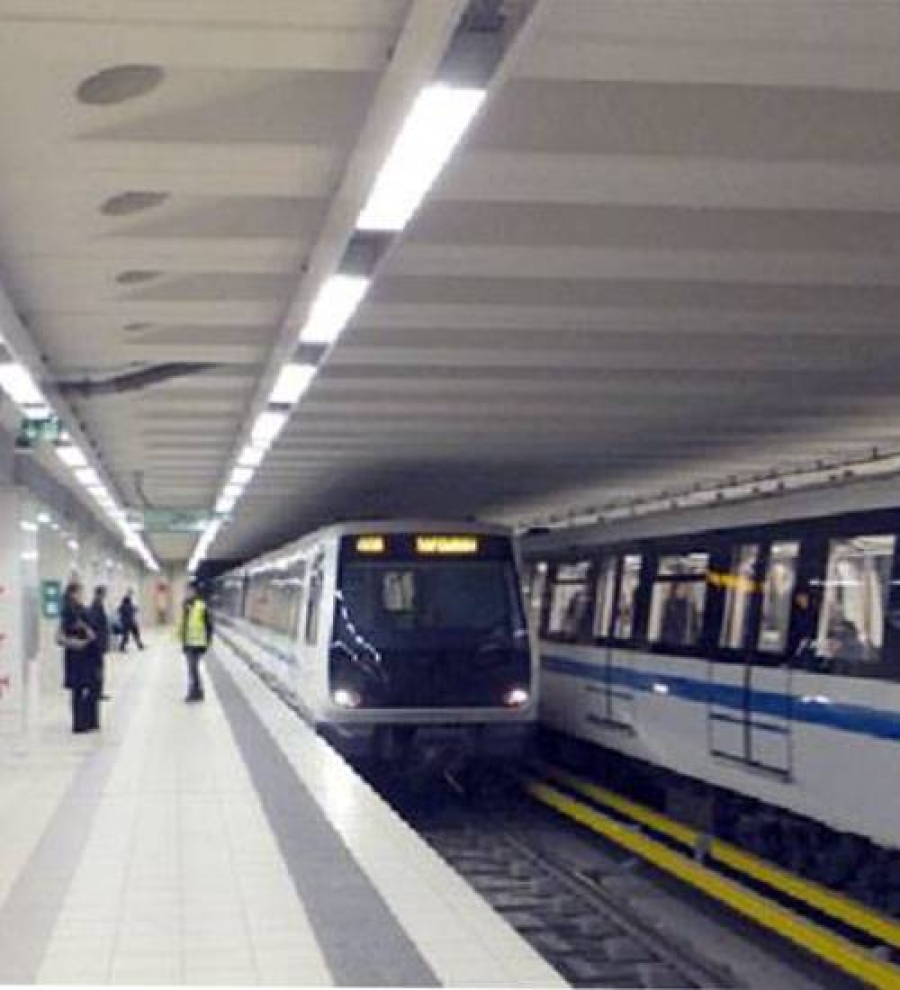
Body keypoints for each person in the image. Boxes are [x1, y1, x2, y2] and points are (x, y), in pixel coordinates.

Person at [58, 580, 98, 733]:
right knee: (78, 689)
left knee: (85, 688)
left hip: (85, 655)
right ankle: (79, 723)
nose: (82, 595)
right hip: (76, 656)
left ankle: (85, 721)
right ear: (72, 593)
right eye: (79, 592)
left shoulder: (80, 609)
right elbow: (59, 637)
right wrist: (76, 642)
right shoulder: (68, 612)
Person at [177, 582, 213, 702]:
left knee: (193, 668)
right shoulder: (185, 606)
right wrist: (182, 640)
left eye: (189, 591)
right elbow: (184, 624)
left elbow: (209, 625)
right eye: (186, 591)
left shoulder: (201, 606)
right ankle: (198, 692)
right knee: (193, 669)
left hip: (198, 644)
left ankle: (193, 692)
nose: (187, 593)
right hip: (188, 643)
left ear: (194, 592)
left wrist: (208, 642)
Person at [87, 585, 111, 702]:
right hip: (97, 645)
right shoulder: (96, 606)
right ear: (99, 594)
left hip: (99, 643)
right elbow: (95, 624)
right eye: (103, 594)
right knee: (98, 669)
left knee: (99, 669)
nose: (105, 596)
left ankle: (98, 691)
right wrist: (100, 641)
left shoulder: (98, 605)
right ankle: (96, 692)